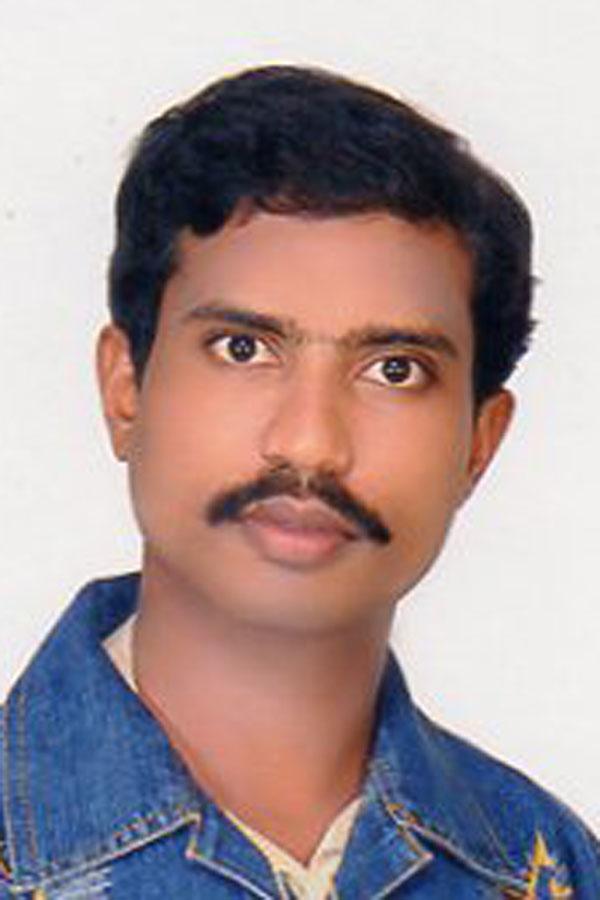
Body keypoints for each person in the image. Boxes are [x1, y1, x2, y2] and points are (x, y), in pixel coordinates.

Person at [0, 65, 597, 900]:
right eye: (243, 349)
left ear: (479, 444)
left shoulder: (554, 868)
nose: (311, 442)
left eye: (395, 369)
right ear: (125, 387)